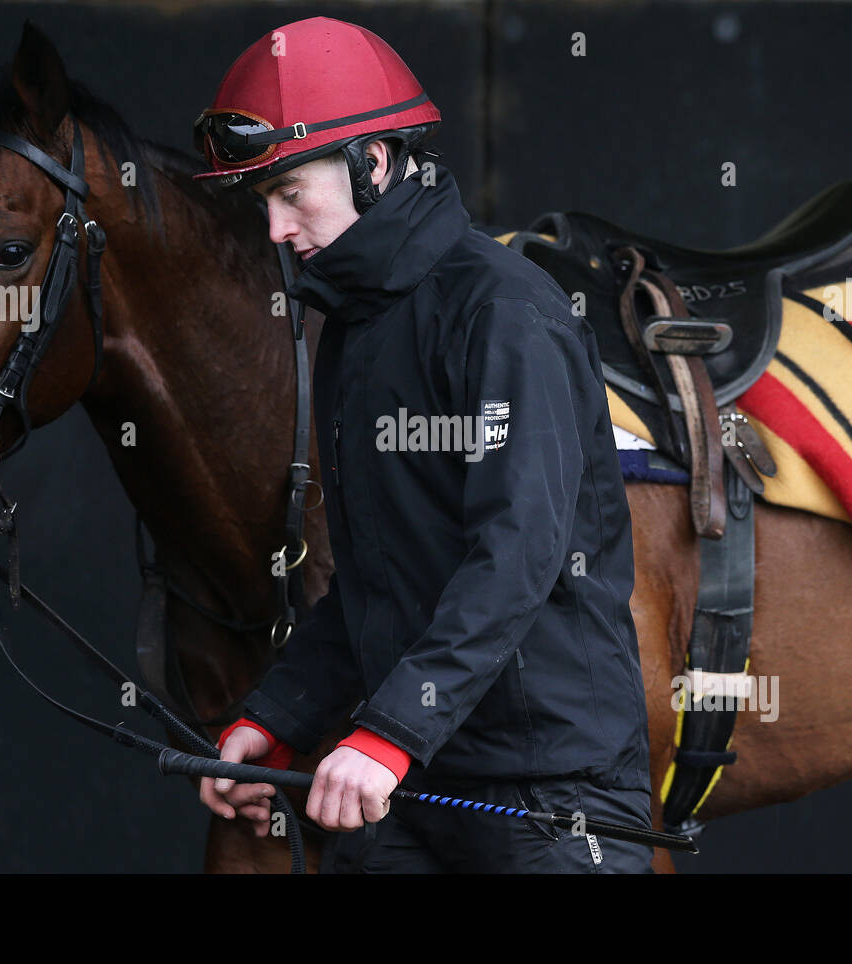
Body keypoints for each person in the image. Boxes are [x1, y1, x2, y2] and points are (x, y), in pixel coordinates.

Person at [190, 15, 654, 873]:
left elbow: (516, 556)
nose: (276, 230)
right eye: (264, 203)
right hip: (406, 783)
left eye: (292, 193)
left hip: (548, 796)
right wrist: (277, 719)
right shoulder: (358, 327)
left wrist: (389, 734)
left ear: (374, 163)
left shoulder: (504, 313)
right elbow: (377, 581)